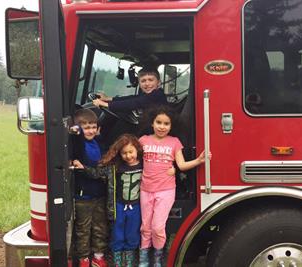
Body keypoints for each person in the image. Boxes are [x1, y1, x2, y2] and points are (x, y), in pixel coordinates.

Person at [73, 134, 175, 267]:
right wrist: (83, 168)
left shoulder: (145, 165)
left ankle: (129, 263)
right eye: (124, 153)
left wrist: (172, 169)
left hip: (136, 206)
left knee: (132, 235)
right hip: (118, 206)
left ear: (137, 150)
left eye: (131, 152)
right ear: (119, 154)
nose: (128, 156)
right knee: (117, 234)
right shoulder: (115, 167)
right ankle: (117, 263)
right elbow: (96, 173)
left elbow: (158, 170)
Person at [138, 106, 211, 267]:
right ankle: (143, 260)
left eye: (166, 124)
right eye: (158, 122)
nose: (162, 127)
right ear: (152, 123)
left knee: (158, 227)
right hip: (145, 189)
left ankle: (158, 259)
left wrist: (199, 161)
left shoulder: (174, 142)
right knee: (145, 227)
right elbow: (132, 159)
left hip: (165, 190)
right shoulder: (143, 140)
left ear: (171, 126)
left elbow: (182, 165)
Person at [71, 109, 108, 267]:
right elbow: (76, 143)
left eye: (93, 126)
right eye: (86, 127)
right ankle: (84, 259)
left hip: (99, 195)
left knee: (100, 227)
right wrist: (77, 132)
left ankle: (98, 257)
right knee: (83, 230)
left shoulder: (98, 143)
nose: (91, 130)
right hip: (83, 197)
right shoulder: (78, 145)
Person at [92, 67, 167, 115]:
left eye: (150, 80)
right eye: (143, 81)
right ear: (139, 84)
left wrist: (106, 104)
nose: (147, 84)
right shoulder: (148, 95)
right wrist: (108, 99)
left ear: (158, 82)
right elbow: (133, 98)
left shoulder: (156, 95)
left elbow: (134, 103)